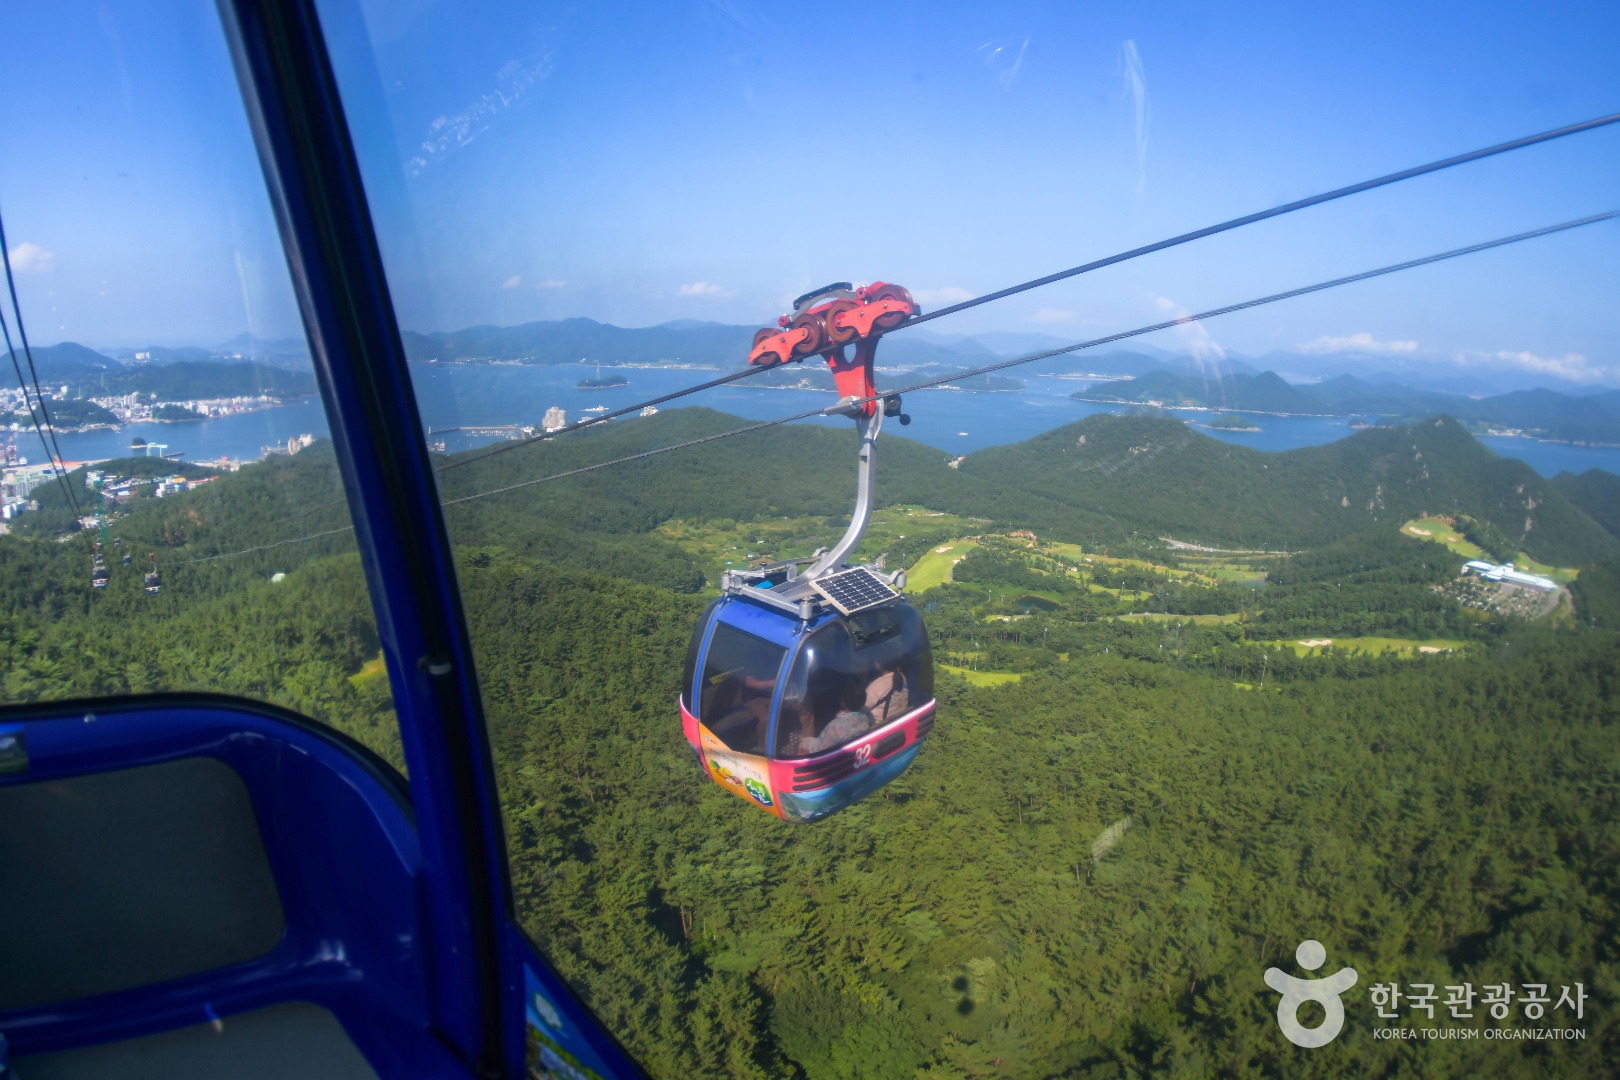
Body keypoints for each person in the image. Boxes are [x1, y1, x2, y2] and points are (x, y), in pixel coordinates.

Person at [798, 680, 872, 755]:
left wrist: (802, 741)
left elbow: (819, 748)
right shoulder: (864, 719)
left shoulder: (835, 727)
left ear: (842, 702)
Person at [864, 658, 909, 723]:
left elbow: (861, 708)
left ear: (879, 665)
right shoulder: (901, 676)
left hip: (878, 725)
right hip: (899, 717)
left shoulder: (877, 685)